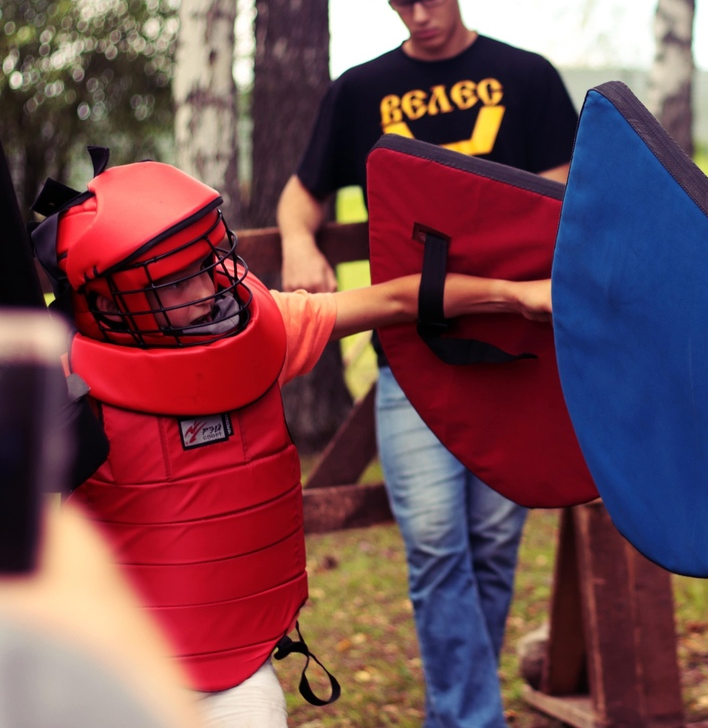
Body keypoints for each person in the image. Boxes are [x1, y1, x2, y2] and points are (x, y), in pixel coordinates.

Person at [29, 157, 551, 728]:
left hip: (230, 663)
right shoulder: (57, 380)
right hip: (107, 664)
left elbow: (393, 301)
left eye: (206, 264)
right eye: (177, 282)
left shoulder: (263, 333)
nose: (207, 291)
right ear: (110, 303)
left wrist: (514, 296)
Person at [275, 0, 578, 728]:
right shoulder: (361, 90)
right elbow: (300, 198)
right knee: (438, 544)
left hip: (516, 350)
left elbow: (565, 204)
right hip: (412, 353)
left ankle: (461, 715)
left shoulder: (526, 78)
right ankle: (473, 720)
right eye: (402, 3)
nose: (421, 14)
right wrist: (301, 242)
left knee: (492, 543)